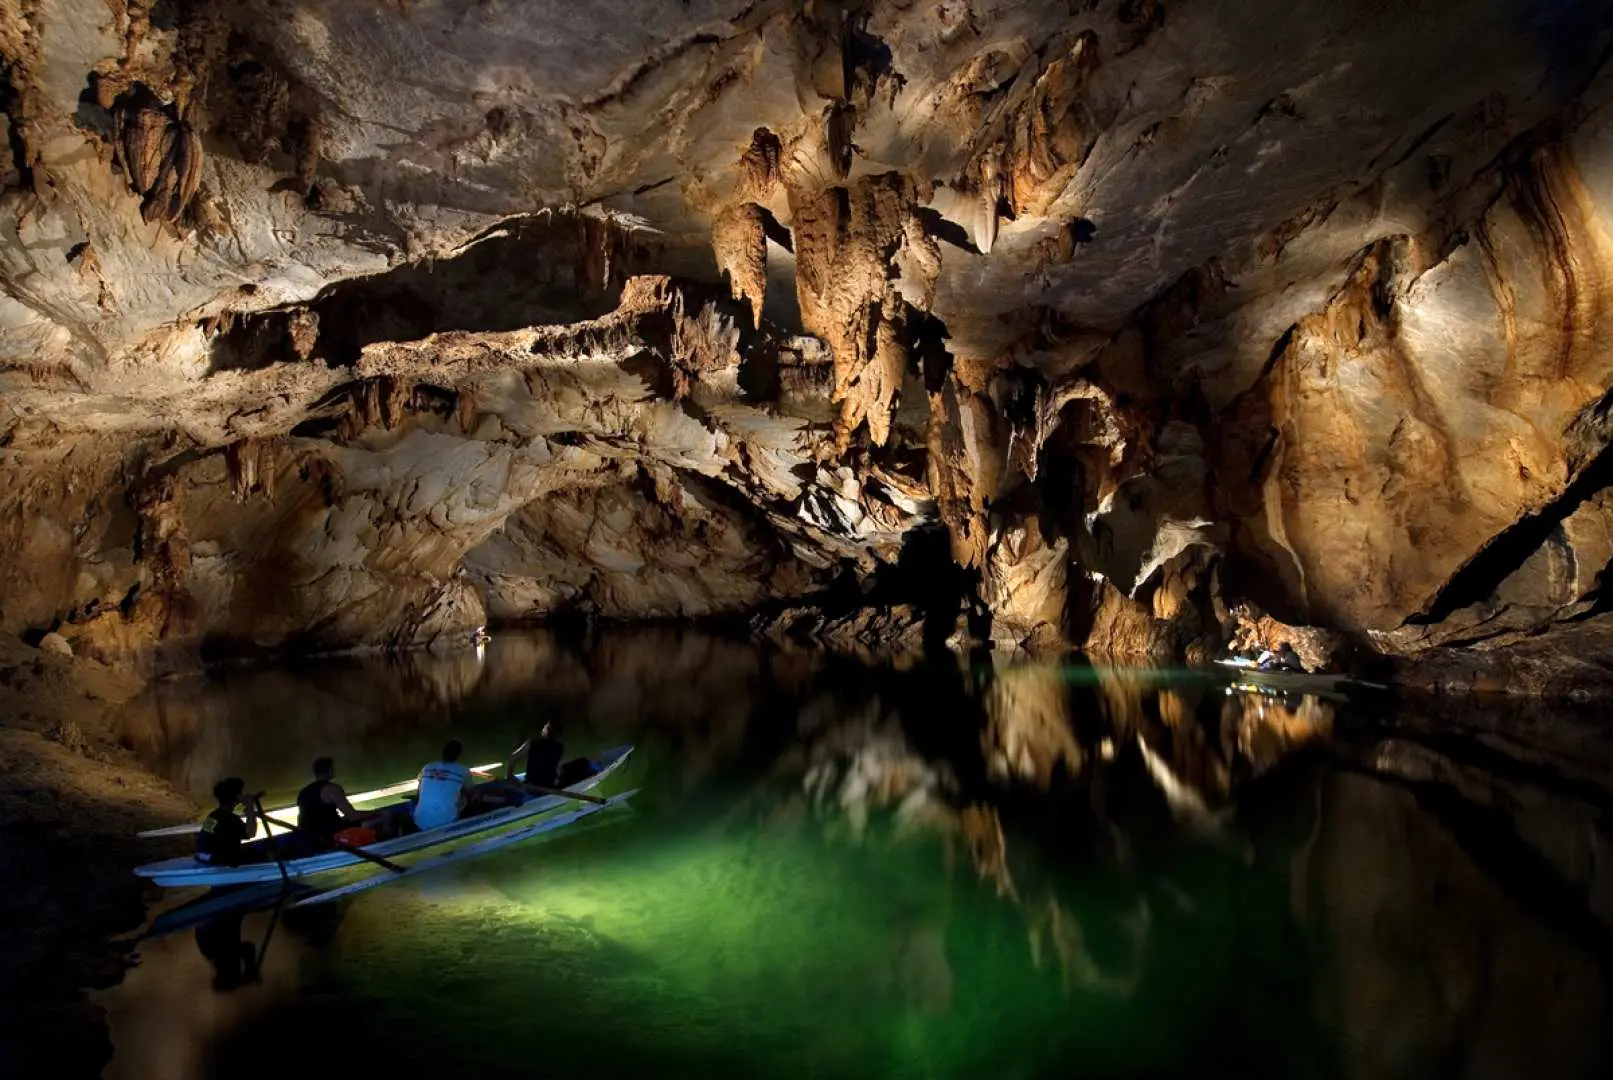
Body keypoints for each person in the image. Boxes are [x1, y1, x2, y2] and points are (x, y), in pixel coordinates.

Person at [296, 757, 374, 850]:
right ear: (330, 770)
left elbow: (301, 820)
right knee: (384, 817)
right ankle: (385, 838)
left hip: (310, 839)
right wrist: (376, 813)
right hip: (333, 837)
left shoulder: (303, 792)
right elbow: (352, 816)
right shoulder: (332, 789)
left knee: (346, 820)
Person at [195, 777, 262, 867]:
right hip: (220, 860)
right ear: (236, 798)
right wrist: (250, 807)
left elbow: (233, 812)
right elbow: (250, 833)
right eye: (241, 793)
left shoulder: (214, 814)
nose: (243, 795)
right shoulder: (231, 819)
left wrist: (246, 804)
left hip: (204, 856)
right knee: (263, 853)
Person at [413, 738, 476, 831]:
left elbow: (419, 792)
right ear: (459, 754)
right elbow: (472, 792)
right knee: (465, 799)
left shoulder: (427, 767)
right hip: (446, 821)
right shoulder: (462, 770)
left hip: (419, 821)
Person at [509, 721, 564, 789]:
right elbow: (557, 766)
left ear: (547, 731)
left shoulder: (533, 743)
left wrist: (510, 776)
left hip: (531, 785)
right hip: (549, 784)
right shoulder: (559, 747)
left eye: (545, 727)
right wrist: (558, 778)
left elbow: (513, 757)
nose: (543, 728)